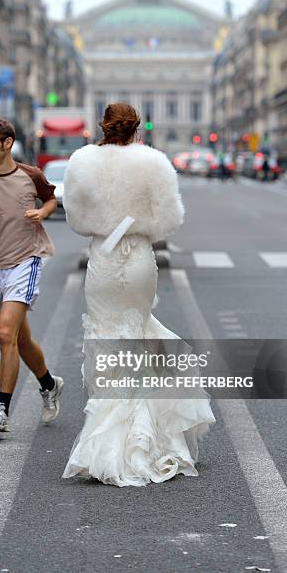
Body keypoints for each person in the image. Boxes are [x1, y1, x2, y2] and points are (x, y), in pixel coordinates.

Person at [62, 103, 215, 487]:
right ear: (136, 129)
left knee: (105, 335)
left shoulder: (81, 160)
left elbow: (76, 220)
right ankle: (145, 435)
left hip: (103, 256)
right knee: (139, 331)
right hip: (138, 259)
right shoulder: (154, 162)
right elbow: (169, 222)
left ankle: (108, 436)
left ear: (103, 126)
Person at [0, 118, 64, 432]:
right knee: (21, 340)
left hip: (27, 260)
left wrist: (42, 212)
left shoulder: (30, 175)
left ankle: (2, 409)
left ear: (7, 143)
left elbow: (50, 197)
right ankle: (50, 384)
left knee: (5, 333)